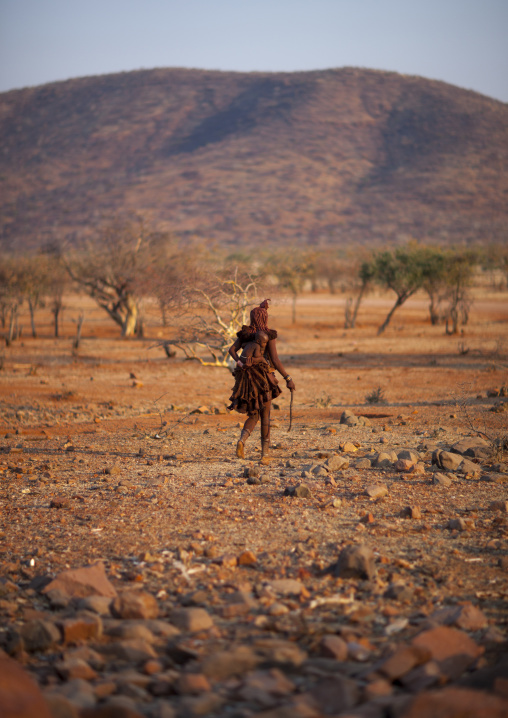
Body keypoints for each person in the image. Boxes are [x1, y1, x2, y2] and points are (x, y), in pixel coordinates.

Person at [228, 300, 295, 459]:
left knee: (253, 414)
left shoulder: (245, 335)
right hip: (265, 380)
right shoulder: (268, 336)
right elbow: (275, 360)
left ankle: (242, 441)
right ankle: (265, 454)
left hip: (247, 381)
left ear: (252, 318)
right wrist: (287, 378)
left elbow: (231, 350)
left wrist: (240, 362)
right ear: (265, 318)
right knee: (265, 415)